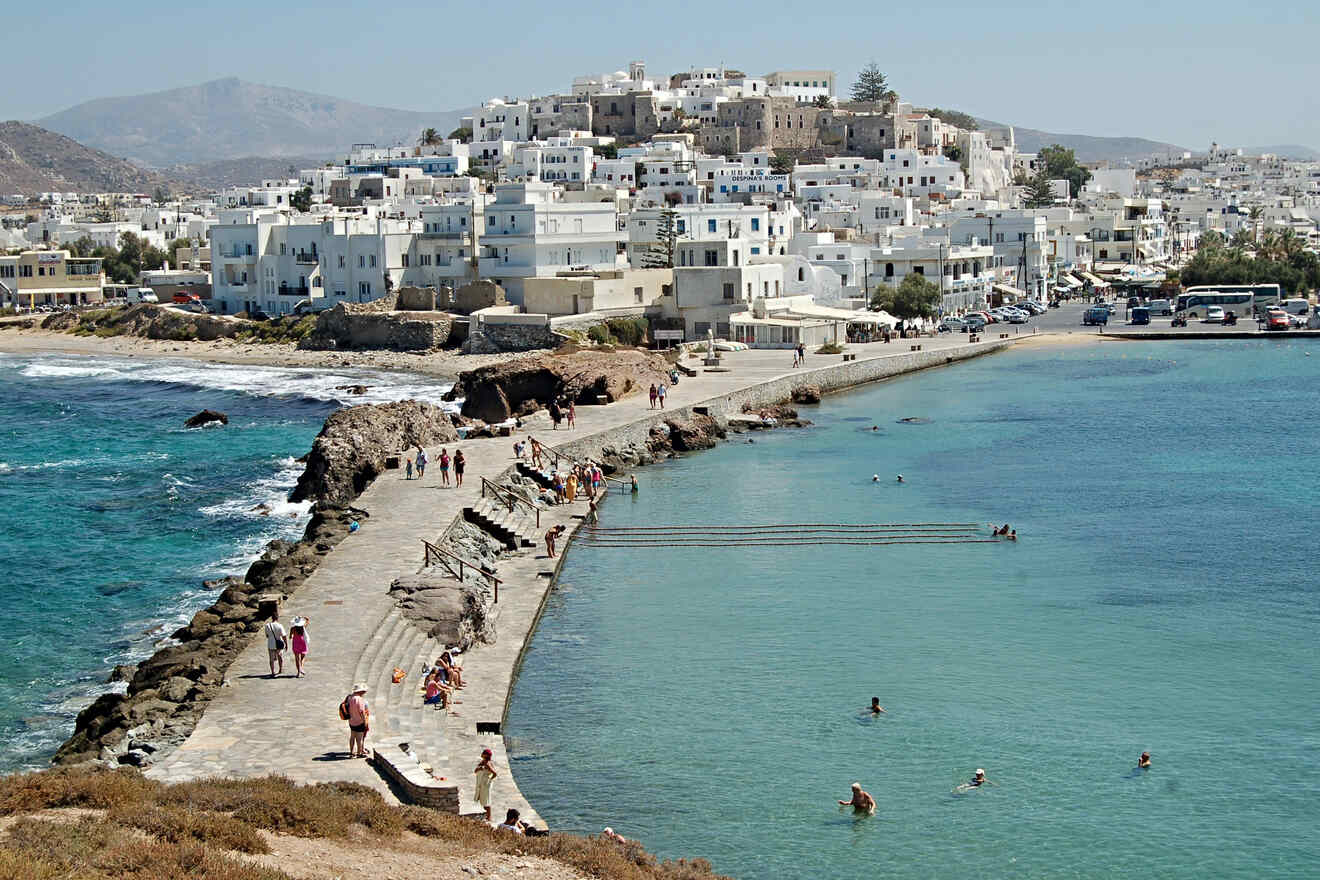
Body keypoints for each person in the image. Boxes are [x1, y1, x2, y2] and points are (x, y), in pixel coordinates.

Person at [345, 683, 370, 758]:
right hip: (359, 722)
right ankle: (359, 753)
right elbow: (361, 711)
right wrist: (365, 721)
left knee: (352, 737)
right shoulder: (359, 699)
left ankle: (351, 752)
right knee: (359, 739)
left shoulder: (349, 697)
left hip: (351, 721)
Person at [474, 748, 497, 821]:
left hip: (485, 784)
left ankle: (489, 817)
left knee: (486, 801)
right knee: (482, 800)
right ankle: (487, 816)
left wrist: (489, 780)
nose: (482, 753)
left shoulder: (487, 763)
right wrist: (479, 768)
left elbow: (495, 773)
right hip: (481, 784)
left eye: (483, 753)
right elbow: (475, 771)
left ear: (486, 755)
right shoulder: (482, 762)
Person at [263, 612, 286, 678]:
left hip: (271, 644)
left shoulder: (267, 625)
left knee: (271, 659)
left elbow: (267, 635)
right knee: (280, 657)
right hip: (279, 643)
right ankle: (280, 669)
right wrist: (286, 644)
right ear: (277, 618)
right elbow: (284, 635)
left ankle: (273, 672)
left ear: (272, 618)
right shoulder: (280, 625)